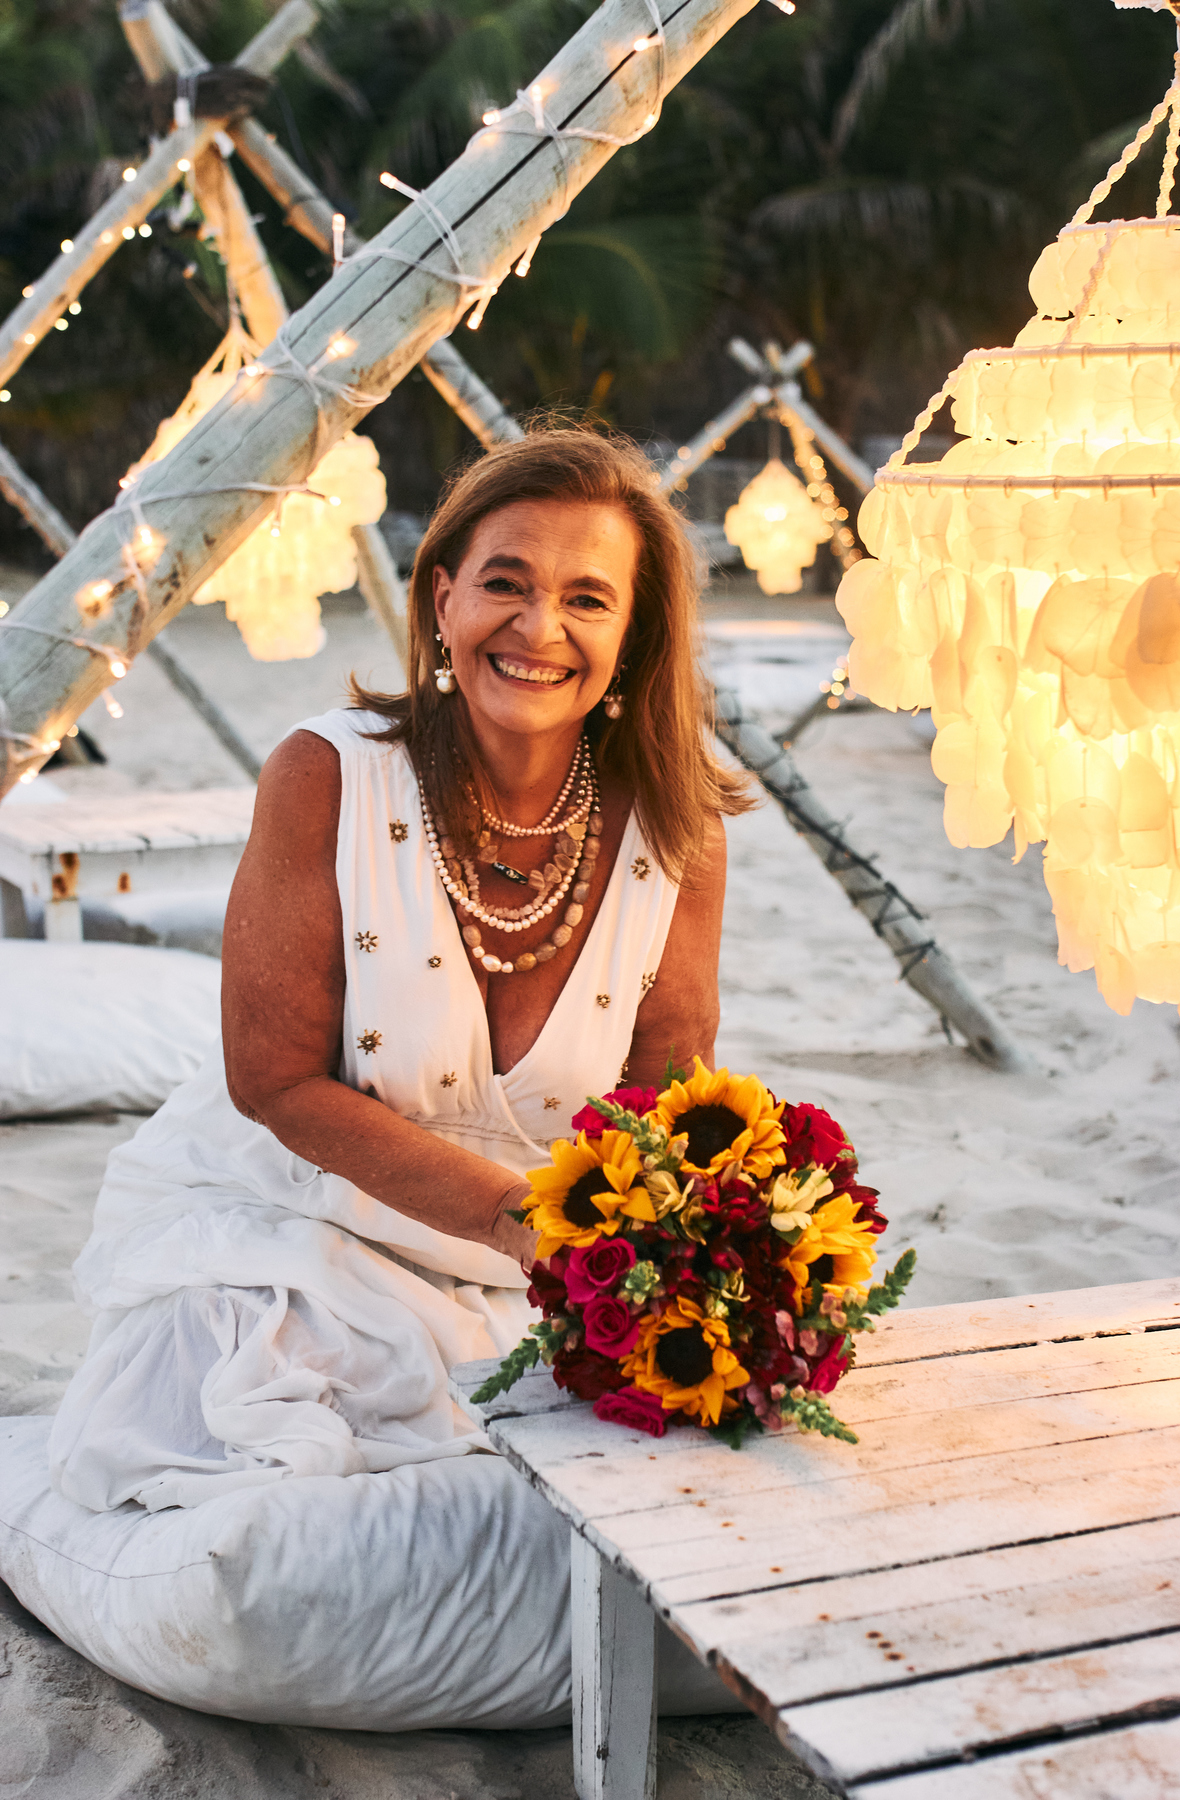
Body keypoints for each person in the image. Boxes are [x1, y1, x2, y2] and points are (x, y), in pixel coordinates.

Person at [30, 424, 752, 1727]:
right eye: (505, 580)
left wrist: (665, 1253)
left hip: (542, 1250)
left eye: (588, 596)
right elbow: (274, 1080)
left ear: (636, 637)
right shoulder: (327, 776)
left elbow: (664, 1104)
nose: (539, 625)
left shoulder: (677, 828)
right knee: (255, 1402)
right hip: (297, 1212)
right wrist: (513, 1223)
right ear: (443, 597)